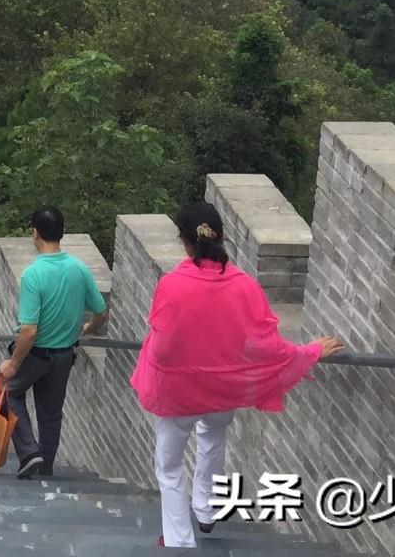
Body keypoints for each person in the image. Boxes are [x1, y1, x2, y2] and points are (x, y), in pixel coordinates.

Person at [132, 201, 345, 548]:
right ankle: (207, 509)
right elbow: (266, 346)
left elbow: (164, 349)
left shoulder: (172, 285)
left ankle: (179, 540)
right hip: (224, 389)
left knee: (169, 467)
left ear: (185, 242)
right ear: (223, 237)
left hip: (180, 392)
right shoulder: (244, 286)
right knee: (213, 438)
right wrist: (310, 351)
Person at [0, 206, 108, 481]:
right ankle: (45, 465)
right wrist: (90, 328)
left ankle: (29, 452)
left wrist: (13, 363)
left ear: (34, 233)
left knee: (8, 393)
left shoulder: (33, 275)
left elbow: (29, 331)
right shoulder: (79, 269)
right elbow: (101, 311)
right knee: (51, 413)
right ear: (62, 233)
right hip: (64, 356)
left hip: (35, 354)